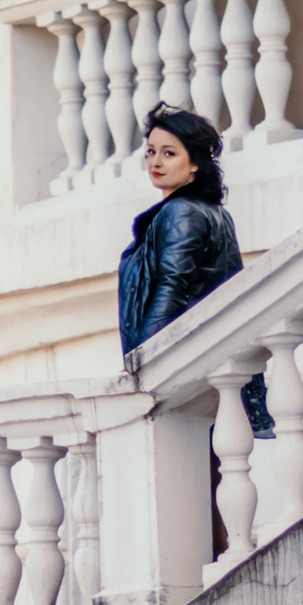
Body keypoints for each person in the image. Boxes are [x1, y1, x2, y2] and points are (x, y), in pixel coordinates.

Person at [117, 104, 271, 436]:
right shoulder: (210, 212)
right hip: (208, 373)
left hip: (186, 378)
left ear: (194, 165)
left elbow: (172, 289)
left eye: (169, 153)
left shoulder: (181, 213)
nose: (155, 162)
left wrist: (145, 367)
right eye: (151, 152)